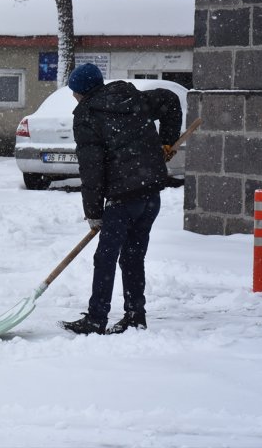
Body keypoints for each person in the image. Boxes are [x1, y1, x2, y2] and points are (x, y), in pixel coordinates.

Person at [59, 63, 182, 335]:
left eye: (74, 91)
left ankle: (96, 319)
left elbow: (91, 169)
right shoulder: (131, 97)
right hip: (150, 192)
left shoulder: (87, 115)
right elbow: (170, 100)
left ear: (82, 91)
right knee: (133, 256)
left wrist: (93, 212)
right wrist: (167, 140)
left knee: (105, 258)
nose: (73, 97)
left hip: (123, 198)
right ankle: (135, 315)